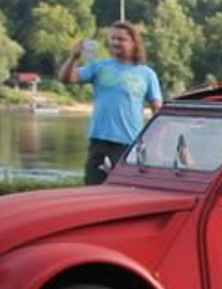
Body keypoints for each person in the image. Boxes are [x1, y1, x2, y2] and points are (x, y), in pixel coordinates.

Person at [58, 20, 163, 184]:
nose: (115, 42)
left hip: (129, 145)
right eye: (113, 39)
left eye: (121, 39)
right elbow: (66, 78)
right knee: (94, 191)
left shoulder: (147, 74)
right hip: (99, 142)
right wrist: (74, 57)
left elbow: (158, 111)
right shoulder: (99, 67)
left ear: (134, 42)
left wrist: (154, 141)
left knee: (125, 193)